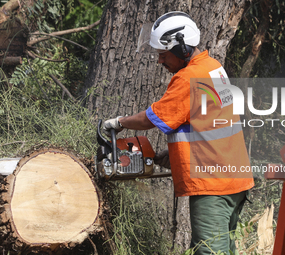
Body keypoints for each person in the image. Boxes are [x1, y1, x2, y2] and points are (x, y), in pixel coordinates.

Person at [103, 11, 254, 255]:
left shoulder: (189, 78)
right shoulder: (213, 68)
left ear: (182, 49)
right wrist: (174, 155)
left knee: (209, 252)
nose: (160, 61)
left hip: (212, 186)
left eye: (163, 55)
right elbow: (208, 125)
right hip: (233, 179)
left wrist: (119, 122)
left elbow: (152, 118)